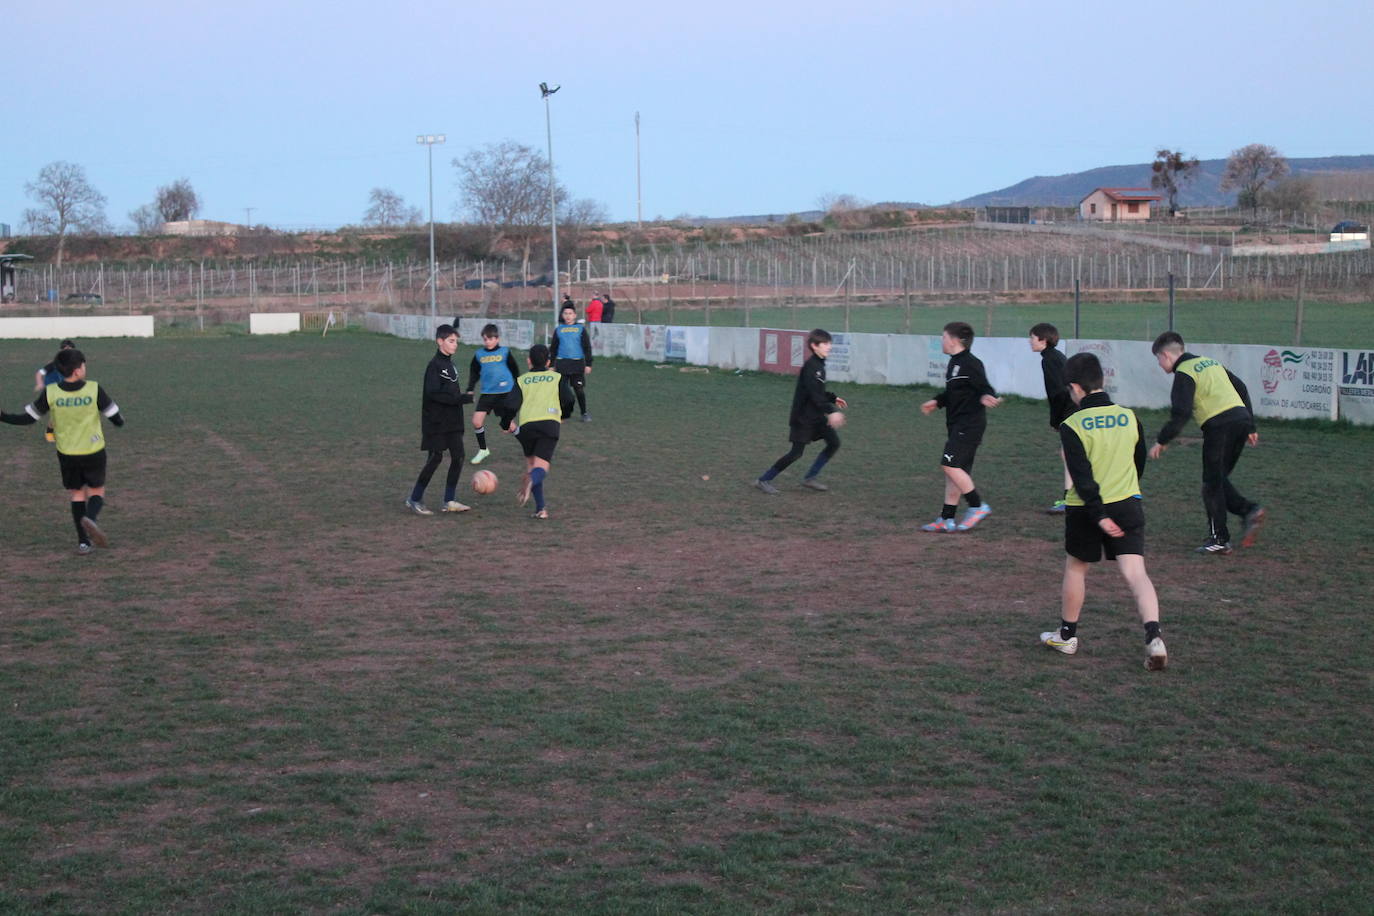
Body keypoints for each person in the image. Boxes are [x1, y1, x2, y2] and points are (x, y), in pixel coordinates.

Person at [1040, 352, 1167, 670]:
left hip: (1087, 510)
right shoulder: (1129, 416)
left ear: (1074, 388)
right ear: (1101, 381)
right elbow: (1138, 462)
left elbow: (1081, 477)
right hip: (1128, 503)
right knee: (1136, 574)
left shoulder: (1072, 424)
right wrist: (1125, 494)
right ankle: (1154, 637)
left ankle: (1067, 636)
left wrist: (1099, 515)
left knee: (1076, 568)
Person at [1148, 331, 1266, 555]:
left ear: (1166, 355)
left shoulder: (1184, 372)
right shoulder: (1209, 362)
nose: (1159, 364)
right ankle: (1249, 511)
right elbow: (1241, 387)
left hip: (1219, 426)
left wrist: (1162, 440)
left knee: (1211, 484)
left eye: (1158, 359)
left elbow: (1180, 413)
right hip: (1240, 421)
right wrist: (1250, 424)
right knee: (1217, 480)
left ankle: (1220, 538)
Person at [2, 347, 125, 555]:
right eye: (83, 365)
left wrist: (2, 415)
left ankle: (83, 542)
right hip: (93, 450)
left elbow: (28, 419)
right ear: (77, 371)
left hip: (67, 453)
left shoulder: (51, 392)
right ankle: (91, 519)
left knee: (77, 494)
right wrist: (119, 421)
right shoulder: (94, 389)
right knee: (96, 491)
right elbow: (116, 418)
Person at [919, 321, 1000, 532]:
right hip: (957, 424)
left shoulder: (971, 363)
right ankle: (947, 519)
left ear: (955, 340)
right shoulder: (954, 363)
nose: (942, 341)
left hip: (969, 424)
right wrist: (937, 402)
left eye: (944, 337)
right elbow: (954, 392)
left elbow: (984, 386)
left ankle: (977, 505)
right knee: (955, 472)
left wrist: (986, 395)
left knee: (950, 465)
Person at [753, 328, 847, 494]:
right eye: (825, 344)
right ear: (814, 346)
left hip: (816, 417)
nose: (829, 347)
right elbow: (813, 394)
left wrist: (833, 398)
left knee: (834, 443)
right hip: (803, 418)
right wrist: (831, 411)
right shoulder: (811, 367)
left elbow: (818, 391)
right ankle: (764, 480)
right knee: (796, 453)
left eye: (829, 343)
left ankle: (810, 478)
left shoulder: (819, 365)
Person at [405, 324, 474, 515]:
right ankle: (415, 498)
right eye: (451, 341)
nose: (455, 345)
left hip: (452, 422)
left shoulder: (450, 365)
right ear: (440, 341)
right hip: (435, 422)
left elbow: (450, 393)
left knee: (458, 456)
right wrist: (463, 398)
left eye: (456, 341)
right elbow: (435, 394)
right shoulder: (434, 366)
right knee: (435, 458)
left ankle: (449, 500)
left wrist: (461, 399)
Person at [507, 343, 575, 519]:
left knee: (532, 465)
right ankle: (531, 482)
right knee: (540, 468)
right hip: (549, 424)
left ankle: (540, 509)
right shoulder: (556, 377)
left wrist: (507, 422)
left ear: (528, 361)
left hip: (528, 426)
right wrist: (564, 415)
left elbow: (510, 404)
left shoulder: (522, 380)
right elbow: (568, 398)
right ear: (548, 361)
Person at [1029, 323, 1075, 513]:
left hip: (1070, 411)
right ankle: (1071, 498)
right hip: (1073, 409)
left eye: (1032, 338)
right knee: (1069, 454)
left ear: (1043, 340)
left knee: (1070, 454)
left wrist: (1055, 420)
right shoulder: (1053, 357)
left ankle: (1071, 500)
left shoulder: (1049, 359)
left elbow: (1058, 393)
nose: (1029, 342)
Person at [465, 323, 522, 465]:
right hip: (487, 394)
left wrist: (518, 387)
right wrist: (470, 388)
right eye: (485, 339)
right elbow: (474, 373)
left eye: (490, 339)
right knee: (476, 421)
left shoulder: (505, 352)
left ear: (497, 339)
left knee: (509, 426)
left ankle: (528, 445)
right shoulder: (479, 354)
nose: (488, 342)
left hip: (504, 393)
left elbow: (515, 370)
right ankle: (483, 449)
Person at [550, 303, 593, 422]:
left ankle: (584, 413)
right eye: (565, 313)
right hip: (562, 364)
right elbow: (553, 348)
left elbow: (587, 347)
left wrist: (588, 364)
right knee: (561, 390)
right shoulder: (559, 330)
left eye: (570, 314)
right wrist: (551, 365)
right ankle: (562, 414)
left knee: (579, 389)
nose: (568, 316)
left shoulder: (580, 329)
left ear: (574, 315)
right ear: (562, 315)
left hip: (577, 364)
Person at [34, 339, 76, 443]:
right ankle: (49, 432)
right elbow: (39, 373)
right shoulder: (54, 364)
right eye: (65, 350)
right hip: (52, 391)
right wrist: (39, 383)